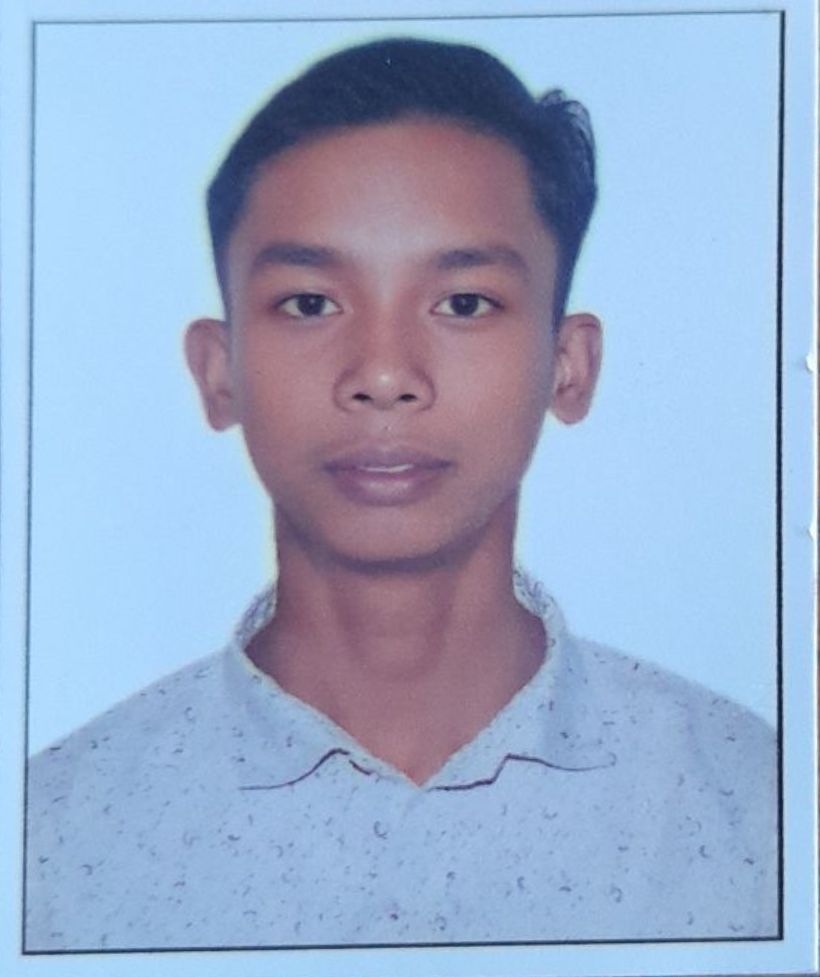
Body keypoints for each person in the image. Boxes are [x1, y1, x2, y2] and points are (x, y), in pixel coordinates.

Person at [25, 37, 777, 950]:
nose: (383, 375)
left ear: (569, 365)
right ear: (219, 372)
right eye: (310, 303)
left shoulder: (755, 812)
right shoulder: (51, 843)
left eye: (463, 303)